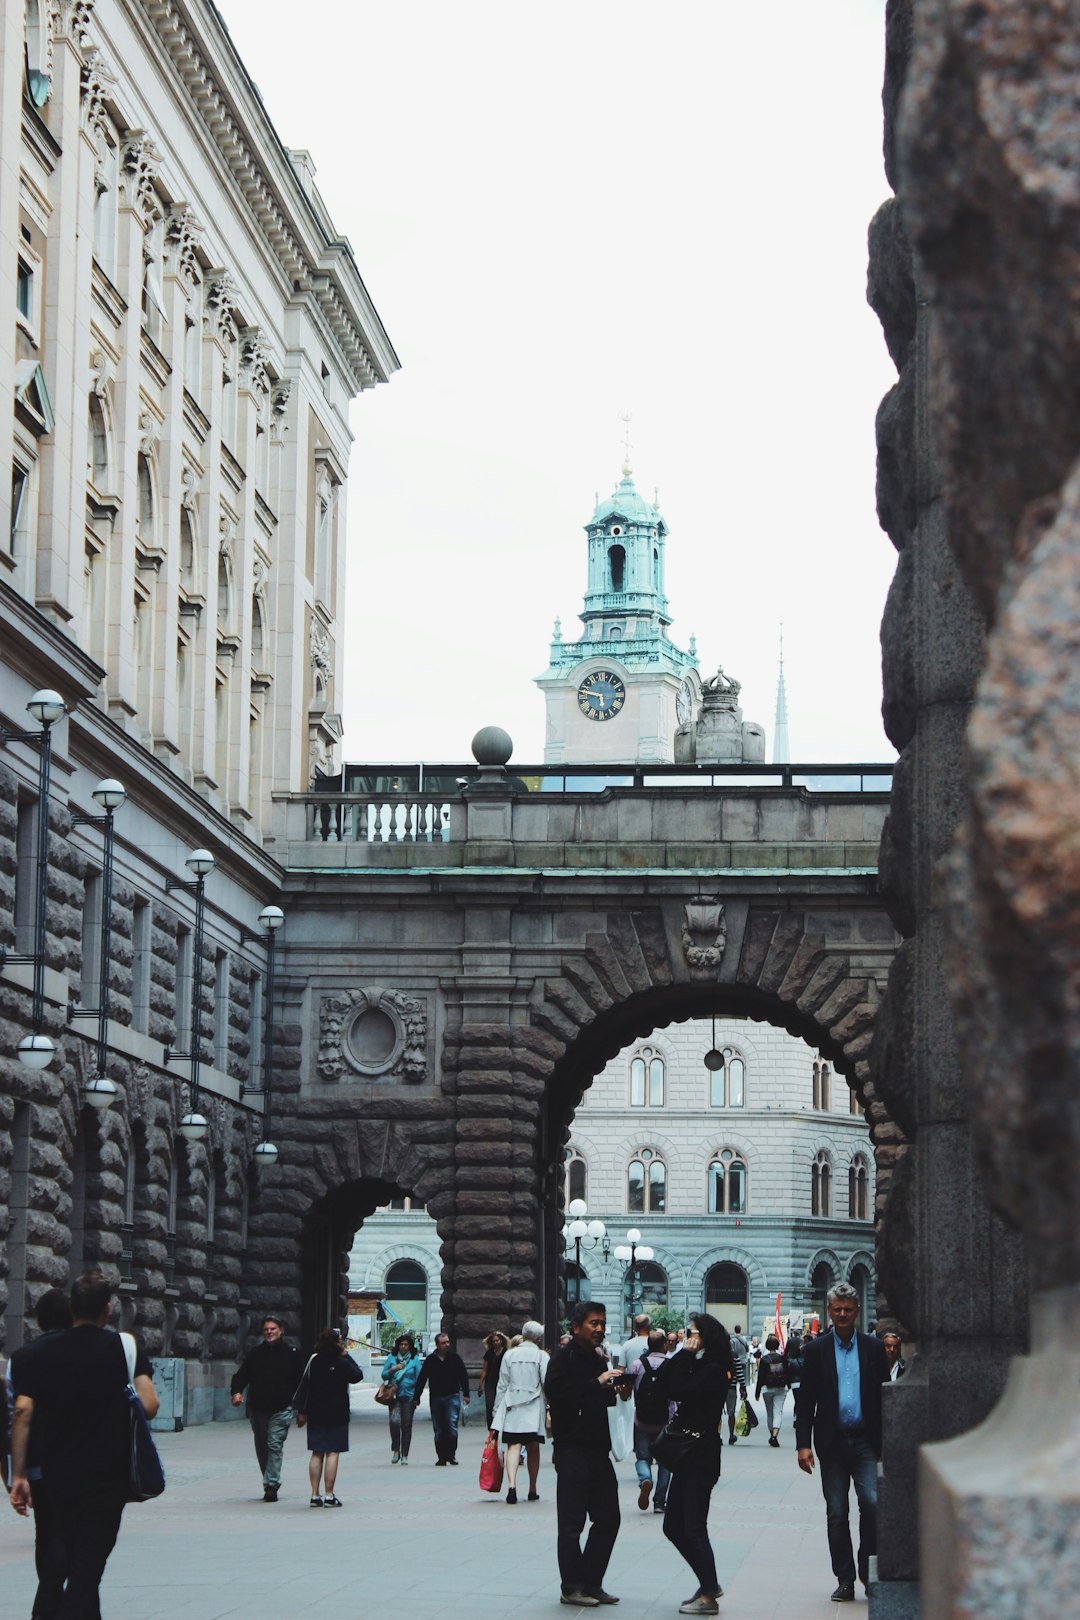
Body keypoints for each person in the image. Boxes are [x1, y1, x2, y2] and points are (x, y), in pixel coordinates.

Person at [7, 1271, 159, 1617]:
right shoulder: (124, 1347)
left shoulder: (33, 1354)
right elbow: (149, 1407)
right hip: (108, 1475)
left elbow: (23, 1410)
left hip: (54, 1476)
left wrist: (18, 1474)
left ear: (72, 1307)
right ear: (107, 1309)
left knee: (59, 1560)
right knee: (88, 1567)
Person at [794, 1281, 889, 1602]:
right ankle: (845, 1578)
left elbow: (884, 1396)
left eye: (849, 1309)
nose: (843, 1314)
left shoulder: (874, 1349)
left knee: (872, 1504)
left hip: (865, 1441)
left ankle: (867, 1570)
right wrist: (802, 1444)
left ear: (858, 1311)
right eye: (837, 1310)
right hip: (832, 1443)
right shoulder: (816, 1350)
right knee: (837, 1512)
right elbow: (805, 1400)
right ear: (829, 1312)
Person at [544, 1299, 630, 1607]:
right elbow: (560, 1394)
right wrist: (597, 1382)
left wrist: (617, 1390)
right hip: (571, 1451)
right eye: (594, 1323)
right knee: (571, 1524)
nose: (599, 1329)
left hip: (598, 1450)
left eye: (602, 1323)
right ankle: (572, 1586)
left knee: (609, 1518)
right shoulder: (562, 1359)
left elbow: (597, 1398)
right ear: (576, 1326)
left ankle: (591, 1581)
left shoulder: (597, 1358)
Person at [653, 1313, 734, 1617]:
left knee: (693, 1526)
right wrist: (684, 1356)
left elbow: (678, 1391)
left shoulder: (712, 1369)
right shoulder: (702, 1364)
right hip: (689, 1456)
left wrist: (684, 1354)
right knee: (673, 1525)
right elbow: (665, 1383)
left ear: (707, 1336)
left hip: (699, 1456)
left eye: (694, 1332)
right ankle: (708, 1586)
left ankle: (709, 1591)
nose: (689, 1337)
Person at [6, 1288, 74, 1611]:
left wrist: (14, 1472)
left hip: (38, 1464)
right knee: (70, 1533)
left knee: (45, 1531)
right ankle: (48, 1602)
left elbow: (15, 1413)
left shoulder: (22, 1357)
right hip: (80, 1461)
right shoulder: (88, 1353)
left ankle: (52, 1600)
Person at [230, 1314, 304, 1500]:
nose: (269, 1332)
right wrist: (237, 1391)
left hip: (282, 1408)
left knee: (274, 1444)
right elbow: (241, 1375)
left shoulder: (292, 1353)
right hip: (258, 1408)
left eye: (273, 1329)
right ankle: (269, 1477)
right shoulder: (255, 1354)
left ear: (281, 1330)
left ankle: (271, 1485)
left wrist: (302, 1409)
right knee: (262, 1446)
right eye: (266, 1330)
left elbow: (302, 1382)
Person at [293, 1325, 362, 1506]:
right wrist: (347, 1355)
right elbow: (357, 1376)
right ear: (338, 1343)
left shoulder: (314, 1361)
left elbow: (305, 1384)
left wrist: (302, 1411)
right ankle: (329, 1495)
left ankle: (315, 1495)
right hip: (337, 1413)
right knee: (333, 1453)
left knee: (317, 1453)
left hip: (316, 1412)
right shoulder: (341, 1362)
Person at [490, 1319, 549, 1504]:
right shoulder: (542, 1356)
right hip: (533, 1406)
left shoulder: (509, 1355)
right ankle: (532, 1488)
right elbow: (547, 1383)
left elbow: (502, 1384)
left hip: (512, 1404)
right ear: (538, 1338)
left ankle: (512, 1486)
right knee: (533, 1448)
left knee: (513, 1446)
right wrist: (550, 1406)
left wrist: (496, 1410)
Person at [629, 1328, 672, 1513]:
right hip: (665, 1422)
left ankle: (645, 1479)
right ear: (664, 1345)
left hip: (642, 1420)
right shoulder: (672, 1365)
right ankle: (659, 1502)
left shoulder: (637, 1365)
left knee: (642, 1457)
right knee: (665, 1462)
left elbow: (628, 1391)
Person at [413, 1331, 470, 1465]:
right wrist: (417, 1397)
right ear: (437, 1344)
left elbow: (463, 1376)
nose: (447, 1345)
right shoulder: (431, 1360)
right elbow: (422, 1378)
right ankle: (441, 1456)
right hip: (436, 1397)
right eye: (444, 1343)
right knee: (438, 1429)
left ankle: (451, 1454)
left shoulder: (455, 1358)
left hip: (452, 1396)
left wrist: (466, 1394)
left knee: (451, 1425)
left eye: (448, 1342)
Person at [382, 1332, 423, 1463]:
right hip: (394, 1396)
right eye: (401, 1344)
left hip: (409, 1396)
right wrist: (393, 1369)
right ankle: (396, 1450)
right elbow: (383, 1375)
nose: (403, 1347)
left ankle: (405, 1454)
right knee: (394, 1422)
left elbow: (420, 1378)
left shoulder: (414, 1360)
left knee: (406, 1425)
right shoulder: (391, 1358)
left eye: (406, 1344)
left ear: (410, 1346)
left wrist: (417, 1396)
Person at [755, 1335, 789, 1447]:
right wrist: (788, 1385)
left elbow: (760, 1377)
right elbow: (787, 1372)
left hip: (767, 1388)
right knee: (778, 1412)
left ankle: (772, 1436)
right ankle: (775, 1435)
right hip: (780, 1388)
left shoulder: (764, 1360)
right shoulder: (782, 1358)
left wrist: (757, 1392)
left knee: (770, 1413)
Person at [478, 1330, 509, 1429]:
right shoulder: (489, 1353)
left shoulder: (506, 1353)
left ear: (501, 1341)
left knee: (501, 1406)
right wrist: (480, 1385)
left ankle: (500, 1428)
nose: (495, 1343)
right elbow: (484, 1370)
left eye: (497, 1340)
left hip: (502, 1383)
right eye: (493, 1341)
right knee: (490, 1406)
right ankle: (491, 1429)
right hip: (490, 1383)